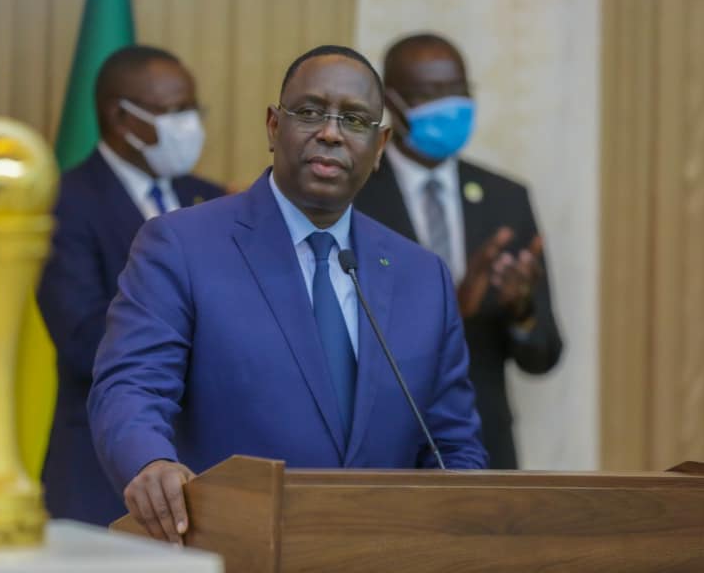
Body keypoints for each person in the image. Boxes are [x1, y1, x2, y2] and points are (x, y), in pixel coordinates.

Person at [88, 45, 486, 543]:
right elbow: (132, 386)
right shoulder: (182, 245)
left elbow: (452, 444)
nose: (331, 133)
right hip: (231, 548)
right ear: (274, 127)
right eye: (311, 112)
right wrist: (150, 461)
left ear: (380, 144)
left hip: (381, 551)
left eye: (356, 120)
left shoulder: (422, 275)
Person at [354, 33, 563, 469]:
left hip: (486, 446)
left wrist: (523, 311)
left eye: (459, 91)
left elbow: (543, 357)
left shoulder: (506, 198)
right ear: (392, 101)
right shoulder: (355, 196)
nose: (450, 105)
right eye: (429, 94)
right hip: (379, 447)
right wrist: (448, 308)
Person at [36, 45, 226, 526]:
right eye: (173, 111)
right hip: (100, 466)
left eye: (192, 109)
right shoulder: (63, 203)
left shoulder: (210, 200)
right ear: (122, 118)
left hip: (207, 464)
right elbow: (81, 339)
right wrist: (193, 317)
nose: (189, 125)